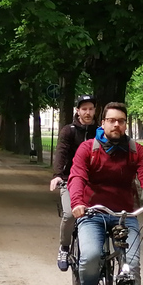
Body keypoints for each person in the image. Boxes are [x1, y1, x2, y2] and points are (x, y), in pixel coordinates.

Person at [68, 102, 143, 285]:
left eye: (121, 121)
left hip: (126, 215)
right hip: (93, 213)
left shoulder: (136, 151)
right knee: (92, 257)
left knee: (132, 266)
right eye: (111, 120)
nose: (116, 124)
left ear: (125, 124)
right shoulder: (87, 148)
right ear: (102, 123)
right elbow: (77, 177)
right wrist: (77, 203)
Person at [49, 95, 99, 272]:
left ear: (95, 111)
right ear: (78, 111)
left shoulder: (100, 131)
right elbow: (61, 153)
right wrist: (58, 175)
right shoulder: (68, 131)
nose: (87, 112)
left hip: (94, 182)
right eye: (83, 109)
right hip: (70, 179)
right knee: (70, 214)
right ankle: (64, 247)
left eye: (90, 109)